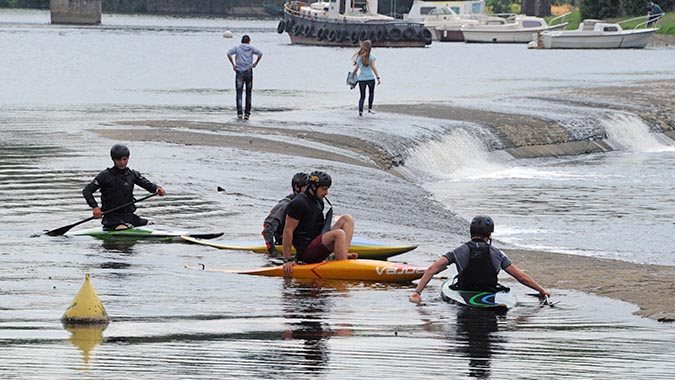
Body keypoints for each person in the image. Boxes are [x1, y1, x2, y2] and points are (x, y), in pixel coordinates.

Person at [409, 215, 551, 304]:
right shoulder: (498, 253)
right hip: (489, 292)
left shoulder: (459, 251)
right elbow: (520, 277)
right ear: (489, 234)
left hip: (465, 291)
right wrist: (542, 290)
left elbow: (432, 269)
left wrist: (417, 293)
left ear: (471, 232)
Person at [282, 171, 357, 276]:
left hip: (317, 241)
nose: (327, 193)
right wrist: (287, 260)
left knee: (347, 219)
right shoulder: (299, 203)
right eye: (324, 189)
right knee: (339, 233)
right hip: (306, 251)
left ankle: (342, 254)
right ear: (313, 187)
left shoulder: (318, 201)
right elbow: (287, 231)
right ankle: (344, 267)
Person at [82, 144, 166, 230]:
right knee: (123, 228)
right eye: (118, 160)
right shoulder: (104, 176)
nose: (122, 163)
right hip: (111, 218)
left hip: (129, 216)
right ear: (113, 159)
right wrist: (95, 207)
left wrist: (157, 188)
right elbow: (87, 191)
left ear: (128, 158)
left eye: (124, 159)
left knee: (152, 226)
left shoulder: (132, 174)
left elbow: (147, 185)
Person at [262, 172, 308, 255]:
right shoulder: (284, 205)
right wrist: (272, 251)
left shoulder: (311, 204)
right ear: (297, 187)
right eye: (307, 187)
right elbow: (267, 229)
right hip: (285, 243)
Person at [227, 34, 263, 121]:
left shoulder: (237, 48)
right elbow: (260, 53)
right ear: (249, 41)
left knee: (239, 93)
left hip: (239, 71)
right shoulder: (251, 48)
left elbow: (228, 53)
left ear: (241, 41)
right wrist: (255, 64)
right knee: (248, 93)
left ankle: (239, 113)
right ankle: (247, 114)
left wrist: (233, 65)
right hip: (249, 71)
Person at [351, 40, 381, 117]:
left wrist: (352, 77)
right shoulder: (372, 57)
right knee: (371, 94)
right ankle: (370, 109)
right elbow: (374, 67)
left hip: (362, 80)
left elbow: (356, 69)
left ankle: (360, 112)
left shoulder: (359, 57)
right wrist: (378, 77)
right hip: (371, 79)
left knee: (362, 96)